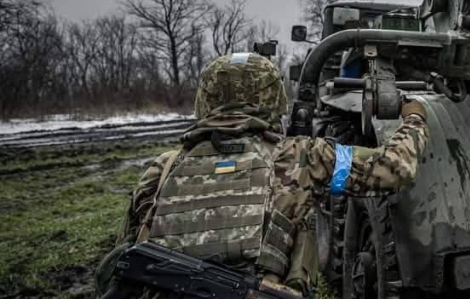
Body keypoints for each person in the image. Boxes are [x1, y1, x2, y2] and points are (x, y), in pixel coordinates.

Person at [95, 52, 429, 297]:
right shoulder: (302, 158)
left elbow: (122, 257)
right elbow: (394, 168)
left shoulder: (162, 168)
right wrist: (414, 118)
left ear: (205, 100)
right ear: (273, 100)